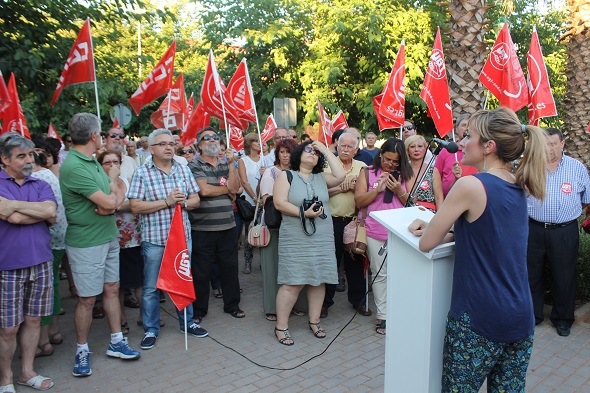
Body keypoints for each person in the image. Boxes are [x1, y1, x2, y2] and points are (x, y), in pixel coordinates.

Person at [408, 107, 547, 392]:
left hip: (478, 318)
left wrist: (435, 228)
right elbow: (490, 236)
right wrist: (452, 230)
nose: (461, 142)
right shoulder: (519, 185)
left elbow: (426, 243)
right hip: (520, 314)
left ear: (488, 146)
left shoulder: (470, 184)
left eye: (468, 136)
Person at [60, 113, 140, 378]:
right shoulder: (74, 165)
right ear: (94, 136)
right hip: (86, 242)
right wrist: (114, 185)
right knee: (86, 299)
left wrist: (112, 193)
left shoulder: (93, 162)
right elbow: (110, 202)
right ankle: (82, 350)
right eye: (102, 133)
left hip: (108, 236)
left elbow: (114, 201)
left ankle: (116, 341)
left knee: (112, 287)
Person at [127, 129, 206, 350]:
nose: (169, 147)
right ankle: (151, 329)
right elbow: (135, 206)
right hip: (155, 240)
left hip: (182, 239)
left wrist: (185, 203)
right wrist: (167, 201)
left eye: (171, 144)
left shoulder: (182, 169)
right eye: (163, 144)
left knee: (183, 280)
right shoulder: (142, 173)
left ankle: (187, 323)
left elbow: (196, 199)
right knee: (152, 287)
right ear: (151, 149)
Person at [273, 140, 346, 345]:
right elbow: (279, 203)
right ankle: (281, 326)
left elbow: (340, 176)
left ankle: (314, 321)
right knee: (293, 281)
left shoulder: (321, 177)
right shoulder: (286, 175)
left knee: (319, 279)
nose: (312, 154)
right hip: (295, 237)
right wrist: (303, 213)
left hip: (321, 236)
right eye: (308, 150)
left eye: (316, 153)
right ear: (298, 154)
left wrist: (324, 149)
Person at [0, 133, 57, 392]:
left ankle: (26, 372)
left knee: (34, 320)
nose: (28, 160)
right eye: (20, 156)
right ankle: (6, 380)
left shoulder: (40, 183)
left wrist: (13, 205)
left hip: (41, 261)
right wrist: (34, 211)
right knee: (8, 328)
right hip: (8, 265)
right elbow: (12, 219)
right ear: (4, 159)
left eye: (30, 155)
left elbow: (51, 212)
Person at [527, 127, 590, 337]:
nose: (549, 148)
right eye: (545, 144)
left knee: (564, 276)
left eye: (553, 144)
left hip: (564, 231)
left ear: (562, 144)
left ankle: (563, 319)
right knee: (531, 274)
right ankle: (533, 315)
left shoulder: (577, 168)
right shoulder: (531, 166)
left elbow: (586, 199)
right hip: (534, 228)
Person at [354, 138, 412, 335]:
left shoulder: (406, 174)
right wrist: (376, 190)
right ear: (380, 155)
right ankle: (384, 316)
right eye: (387, 159)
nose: (391, 164)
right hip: (375, 230)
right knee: (380, 274)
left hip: (400, 232)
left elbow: (411, 205)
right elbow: (359, 201)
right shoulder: (367, 172)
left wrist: (398, 190)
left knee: (400, 275)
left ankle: (401, 312)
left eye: (396, 161)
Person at [188, 127, 245, 321]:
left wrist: (231, 165)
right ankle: (199, 311)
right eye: (207, 138)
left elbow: (236, 189)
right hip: (202, 228)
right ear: (200, 145)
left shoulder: (225, 164)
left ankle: (232, 305)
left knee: (230, 268)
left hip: (228, 227)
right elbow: (203, 191)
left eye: (215, 138)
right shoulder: (194, 165)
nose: (212, 140)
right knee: (201, 272)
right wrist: (225, 188)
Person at [323, 132, 371, 317]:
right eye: (343, 145)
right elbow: (318, 194)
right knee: (330, 262)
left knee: (355, 261)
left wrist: (357, 186)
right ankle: (325, 302)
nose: (345, 149)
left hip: (353, 220)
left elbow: (368, 193)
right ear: (337, 145)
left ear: (356, 150)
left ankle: (358, 301)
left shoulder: (363, 167)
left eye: (350, 146)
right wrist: (341, 188)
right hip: (331, 221)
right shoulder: (327, 165)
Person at [258, 138, 307, 321]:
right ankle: (272, 307)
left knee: (296, 269)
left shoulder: (300, 173)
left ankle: (298, 305)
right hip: (275, 227)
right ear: (277, 153)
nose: (285, 156)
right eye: (282, 152)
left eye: (289, 152)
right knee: (273, 267)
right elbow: (268, 201)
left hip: (297, 227)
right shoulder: (270, 173)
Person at [96, 151, 142, 337]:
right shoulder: (98, 182)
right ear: (100, 165)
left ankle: (144, 316)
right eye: (107, 162)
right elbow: (107, 204)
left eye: (116, 161)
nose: (112, 165)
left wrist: (113, 205)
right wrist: (114, 201)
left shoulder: (128, 179)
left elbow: (130, 204)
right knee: (117, 284)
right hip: (110, 238)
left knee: (140, 281)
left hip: (133, 238)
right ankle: (121, 320)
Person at [31, 150, 67, 357]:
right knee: (50, 287)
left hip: (48, 241)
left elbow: (49, 215)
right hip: (56, 240)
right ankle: (51, 332)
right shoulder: (47, 174)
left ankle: (44, 339)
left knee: (45, 290)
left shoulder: (36, 178)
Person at [237, 133, 264, 274]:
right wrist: (255, 198)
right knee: (249, 232)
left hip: (263, 202)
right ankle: (248, 262)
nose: (259, 143)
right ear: (249, 143)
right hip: (249, 202)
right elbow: (244, 182)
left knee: (263, 232)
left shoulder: (264, 160)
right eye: (256, 141)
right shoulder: (243, 161)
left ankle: (263, 263)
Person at [435, 114, 478, 197]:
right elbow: (436, 179)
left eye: (470, 126)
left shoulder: (478, 151)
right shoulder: (446, 151)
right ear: (456, 129)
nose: (466, 129)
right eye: (464, 125)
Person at [404, 135, 444, 211]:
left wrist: (439, 218)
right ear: (407, 150)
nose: (416, 149)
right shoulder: (402, 170)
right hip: (407, 211)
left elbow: (438, 197)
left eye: (420, 146)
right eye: (412, 146)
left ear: (425, 149)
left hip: (428, 213)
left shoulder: (432, 170)